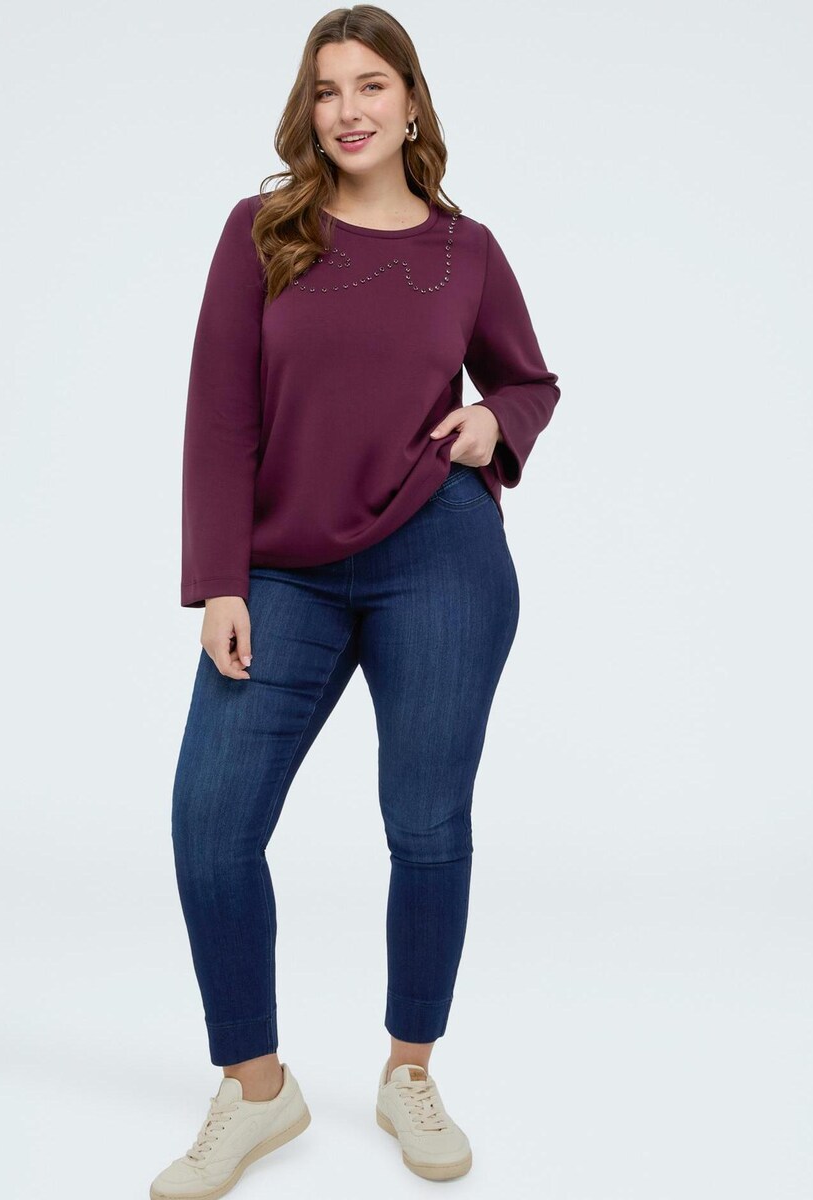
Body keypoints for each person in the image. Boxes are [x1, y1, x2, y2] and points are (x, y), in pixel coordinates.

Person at [150, 6, 560, 1197]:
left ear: (411, 103)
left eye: (371, 85)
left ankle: (408, 1074)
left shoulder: (466, 250)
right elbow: (219, 415)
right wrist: (219, 580)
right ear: (309, 108)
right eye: (327, 89)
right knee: (210, 823)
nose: (349, 109)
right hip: (284, 569)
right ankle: (256, 1092)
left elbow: (529, 380)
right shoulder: (262, 231)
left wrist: (493, 421)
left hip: (440, 555)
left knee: (426, 825)